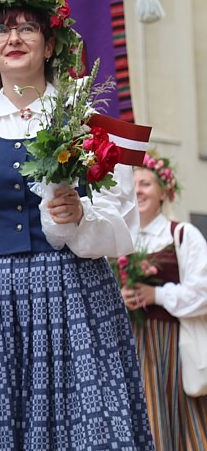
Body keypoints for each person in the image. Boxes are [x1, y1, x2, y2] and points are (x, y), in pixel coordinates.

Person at [0, 0, 153, 450]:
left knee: (86, 430)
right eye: (1, 28)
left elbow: (124, 224)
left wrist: (81, 218)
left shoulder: (87, 123)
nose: (13, 37)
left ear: (49, 46)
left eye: (27, 27)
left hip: (75, 298)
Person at [120, 153, 207, 450]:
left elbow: (204, 291)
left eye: (146, 183)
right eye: (134, 185)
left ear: (163, 192)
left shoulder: (183, 234)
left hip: (169, 346)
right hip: (128, 345)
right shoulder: (120, 240)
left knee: (173, 421)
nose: (139, 190)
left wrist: (156, 294)